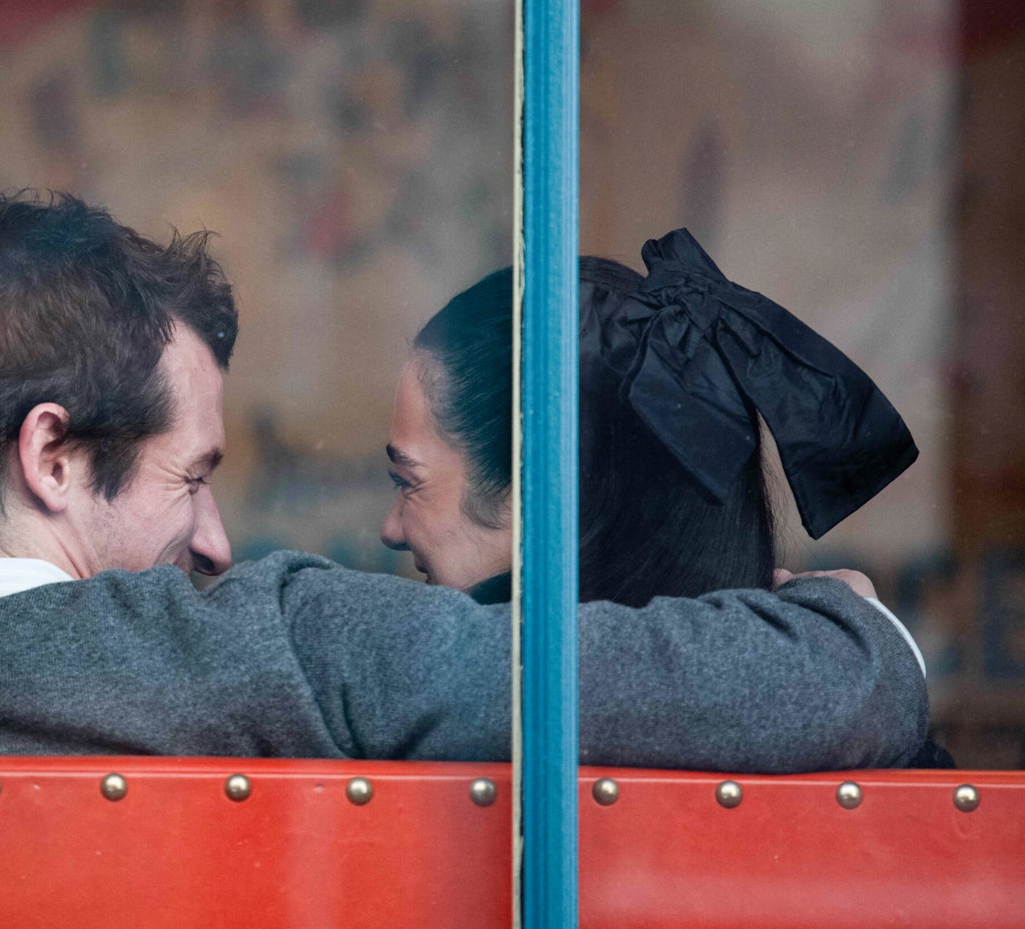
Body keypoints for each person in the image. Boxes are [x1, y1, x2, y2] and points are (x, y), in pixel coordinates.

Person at [0, 191, 926, 771]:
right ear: (52, 458)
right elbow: (809, 690)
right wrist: (859, 631)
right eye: (190, 476)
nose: (216, 544)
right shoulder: (220, 650)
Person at [383, 230, 939, 768]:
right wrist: (864, 645)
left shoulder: (487, 711)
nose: (390, 528)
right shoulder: (811, 706)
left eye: (410, 482)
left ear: (550, 494)